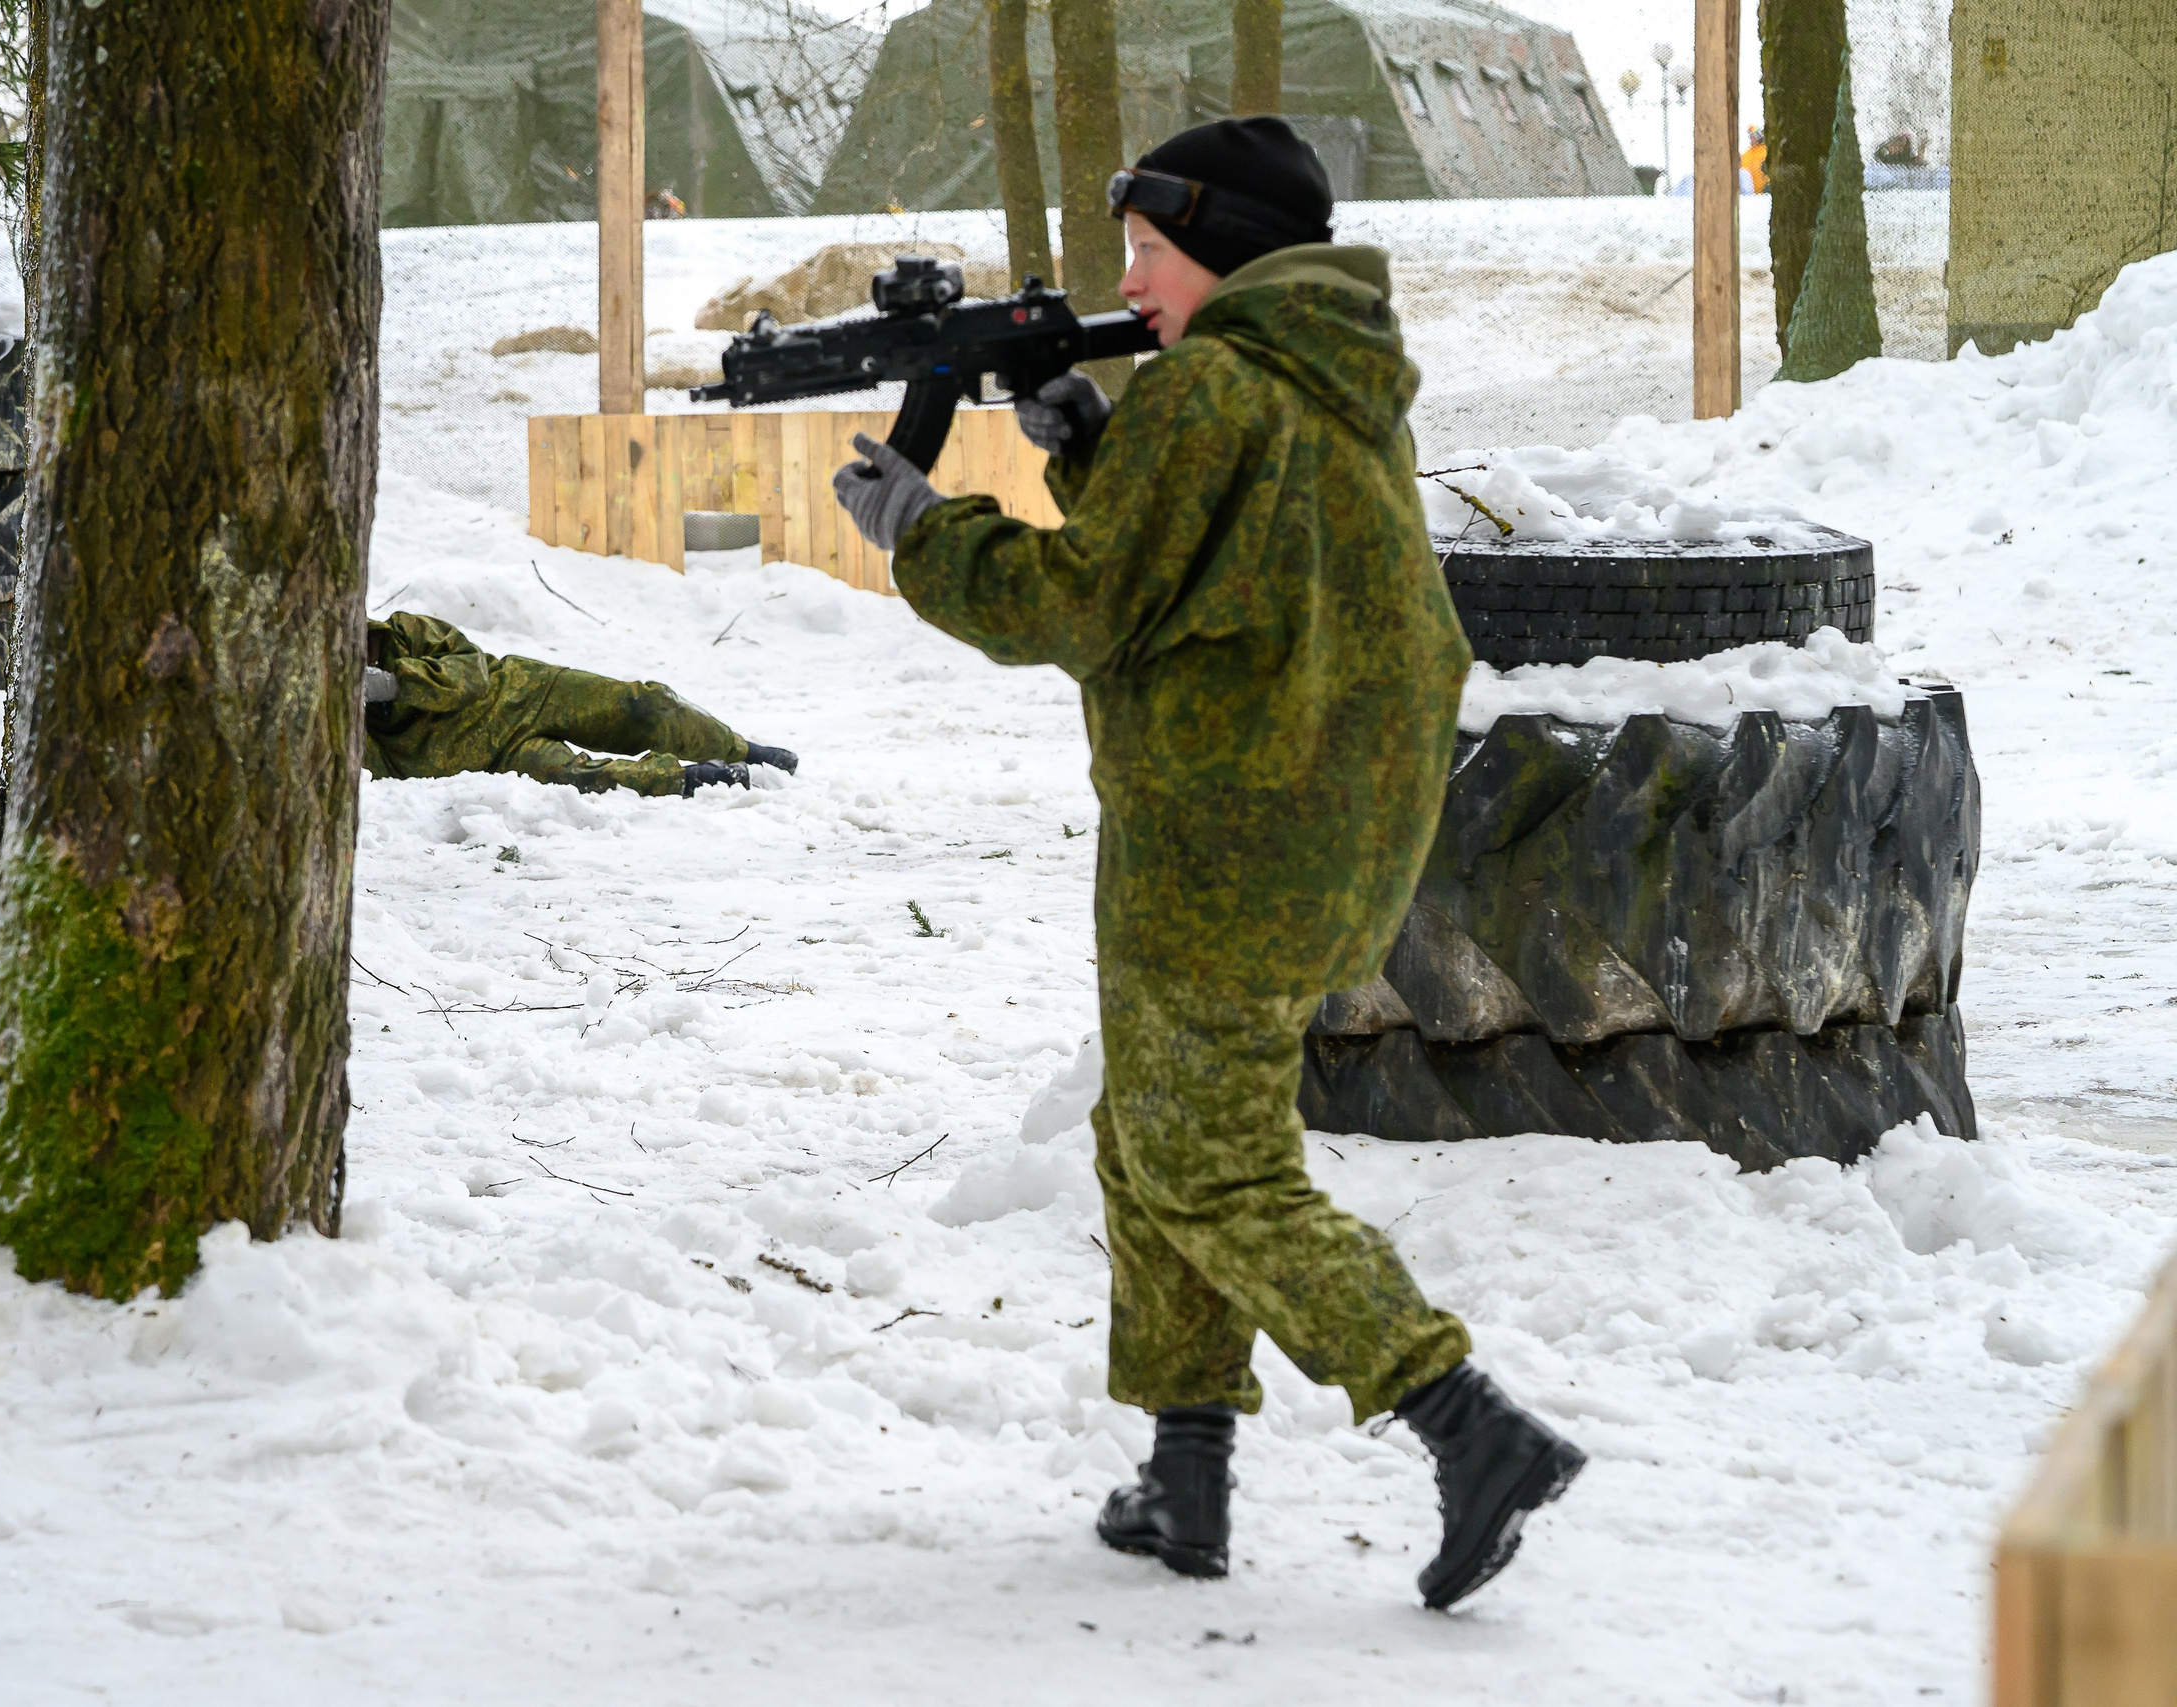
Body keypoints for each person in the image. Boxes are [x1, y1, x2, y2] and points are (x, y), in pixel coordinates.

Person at [831, 117, 1584, 1610]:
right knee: (1150, 1134)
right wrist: (1096, 449)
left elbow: (1084, 605)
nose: (1128, 282)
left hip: (1218, 842)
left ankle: (1466, 1422)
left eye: (1147, 250)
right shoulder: (1320, 377)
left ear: (1224, 251)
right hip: (1314, 833)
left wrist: (924, 532)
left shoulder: (1215, 390)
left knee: (1204, 1163)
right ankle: (1186, 1475)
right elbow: (1214, 565)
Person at [362, 610, 795, 797]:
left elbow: (470, 675)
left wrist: (395, 684)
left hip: (525, 692)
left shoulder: (406, 631)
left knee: (645, 705)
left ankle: (743, 751)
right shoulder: (352, 727)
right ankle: (692, 779)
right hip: (501, 757)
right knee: (581, 779)